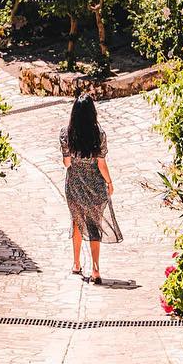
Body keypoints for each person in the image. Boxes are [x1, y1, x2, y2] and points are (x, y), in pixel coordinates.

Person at [60, 94, 121, 282]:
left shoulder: (66, 134)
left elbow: (67, 163)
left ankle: (76, 263)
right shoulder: (99, 135)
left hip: (75, 185)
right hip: (95, 185)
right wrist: (109, 182)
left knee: (76, 222)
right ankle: (95, 269)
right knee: (95, 225)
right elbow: (101, 164)